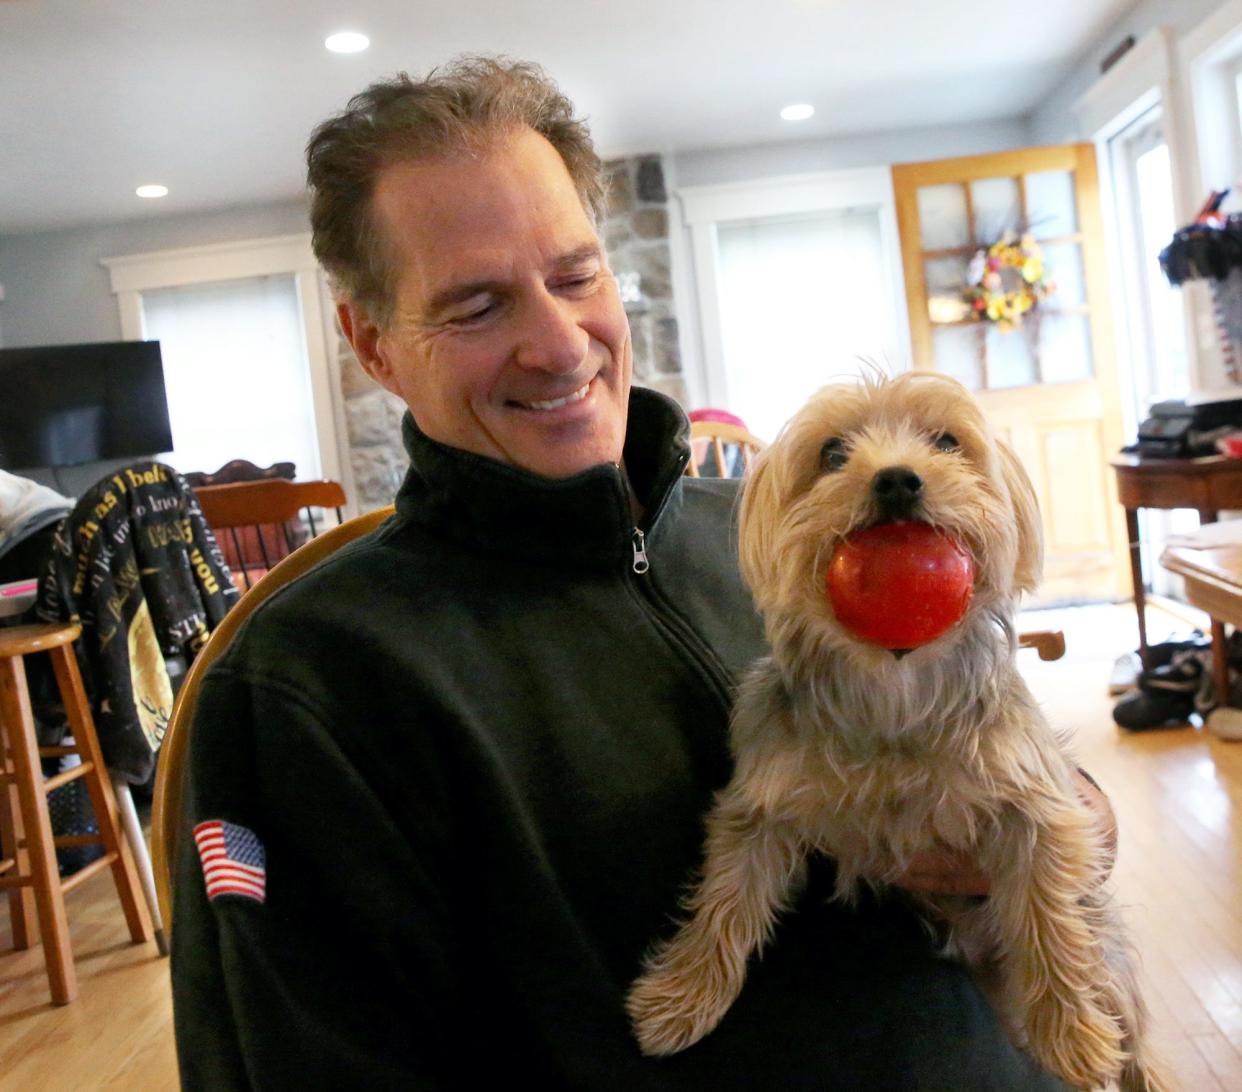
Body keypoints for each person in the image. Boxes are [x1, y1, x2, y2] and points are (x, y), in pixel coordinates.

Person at [172, 57, 1104, 1089]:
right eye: (477, 306)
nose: (560, 344)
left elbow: (1010, 763)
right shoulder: (310, 685)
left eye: (576, 276)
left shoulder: (772, 534)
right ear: (374, 345)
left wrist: (1073, 816)